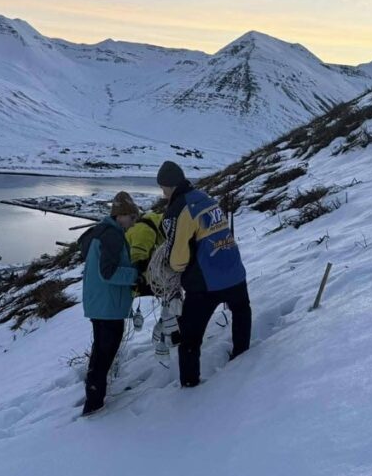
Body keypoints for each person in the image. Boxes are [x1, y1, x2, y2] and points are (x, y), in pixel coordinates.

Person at [158, 160, 252, 387]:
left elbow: (178, 259)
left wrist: (170, 269)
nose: (163, 195)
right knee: (241, 313)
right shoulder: (206, 198)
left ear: (169, 186)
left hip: (205, 283)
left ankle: (190, 385)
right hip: (235, 272)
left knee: (190, 337)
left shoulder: (181, 209)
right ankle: (244, 357)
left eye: (163, 189)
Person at [77, 191, 140, 415]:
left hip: (100, 303)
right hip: (108, 306)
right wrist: (135, 275)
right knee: (105, 353)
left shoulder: (101, 231)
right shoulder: (112, 235)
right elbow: (108, 273)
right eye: (132, 218)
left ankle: (94, 394)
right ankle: (93, 404)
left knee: (100, 351)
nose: (133, 224)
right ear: (121, 215)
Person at [125, 210, 166, 296]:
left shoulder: (151, 229)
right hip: (126, 285)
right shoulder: (146, 231)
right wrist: (145, 283)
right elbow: (138, 262)